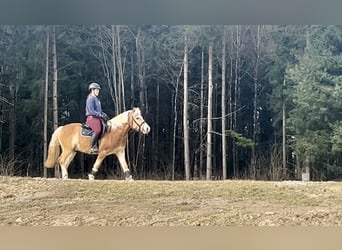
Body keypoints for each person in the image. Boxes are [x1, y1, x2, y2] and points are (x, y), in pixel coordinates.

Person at [85, 82, 109, 153]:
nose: (98, 91)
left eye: (98, 90)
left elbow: (100, 111)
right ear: (92, 90)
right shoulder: (90, 99)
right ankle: (92, 147)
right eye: (97, 90)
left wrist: (104, 114)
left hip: (97, 117)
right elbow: (91, 111)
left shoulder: (97, 99)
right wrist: (100, 115)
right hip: (91, 118)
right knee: (98, 130)